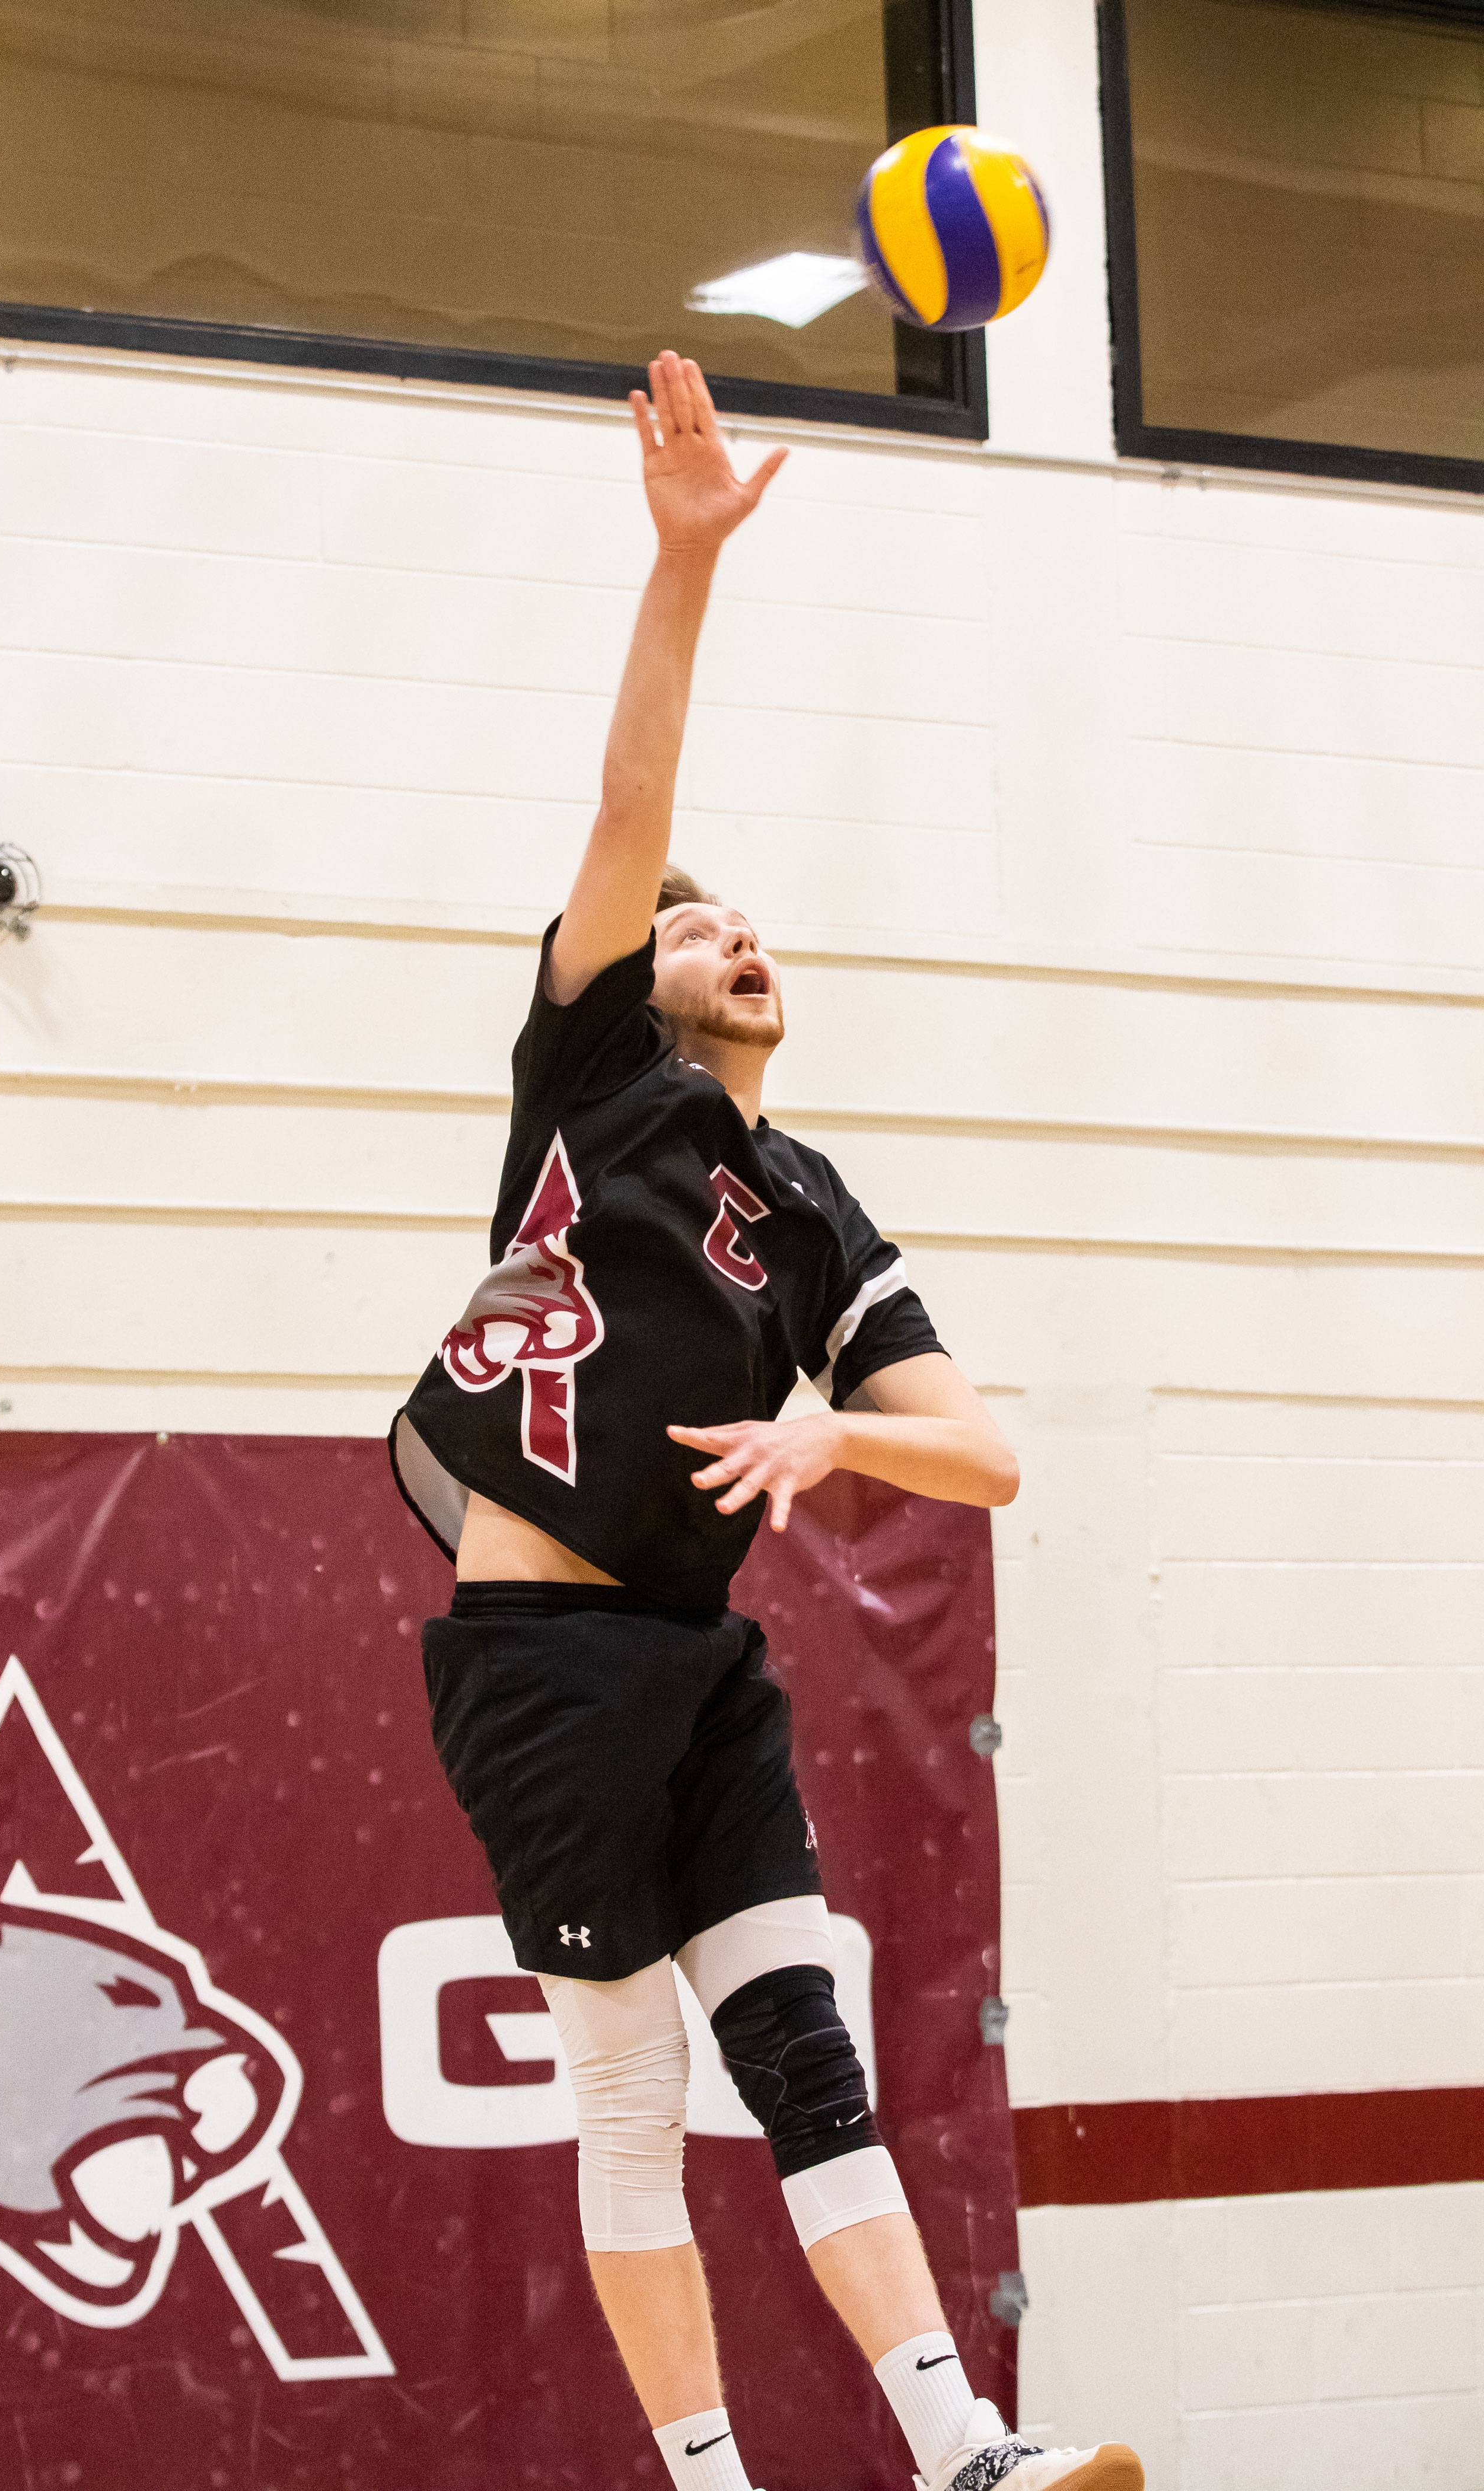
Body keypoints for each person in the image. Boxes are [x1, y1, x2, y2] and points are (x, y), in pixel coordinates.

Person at [390, 352, 1142, 2491]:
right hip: (538, 1654)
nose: (736, 933)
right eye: (701, 924)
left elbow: (984, 1454)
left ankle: (961, 2455)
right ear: (640, 978)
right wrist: (685, 563)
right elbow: (632, 808)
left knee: (806, 2054)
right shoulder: (593, 1086)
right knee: (629, 2086)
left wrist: (839, 1444)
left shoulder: (813, 1212)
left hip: (702, 1661)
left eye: (751, 920)